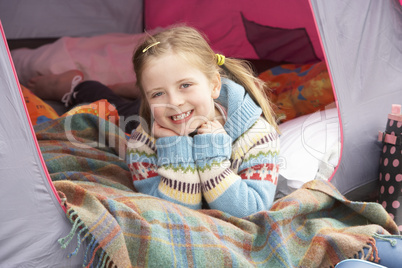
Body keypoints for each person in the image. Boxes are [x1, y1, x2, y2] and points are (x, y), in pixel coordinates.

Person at [126, 26, 280, 218]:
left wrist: (212, 160)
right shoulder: (143, 143)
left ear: (214, 85)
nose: (174, 102)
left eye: (185, 85)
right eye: (158, 93)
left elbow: (251, 212)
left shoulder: (258, 137)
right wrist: (174, 148)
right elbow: (173, 217)